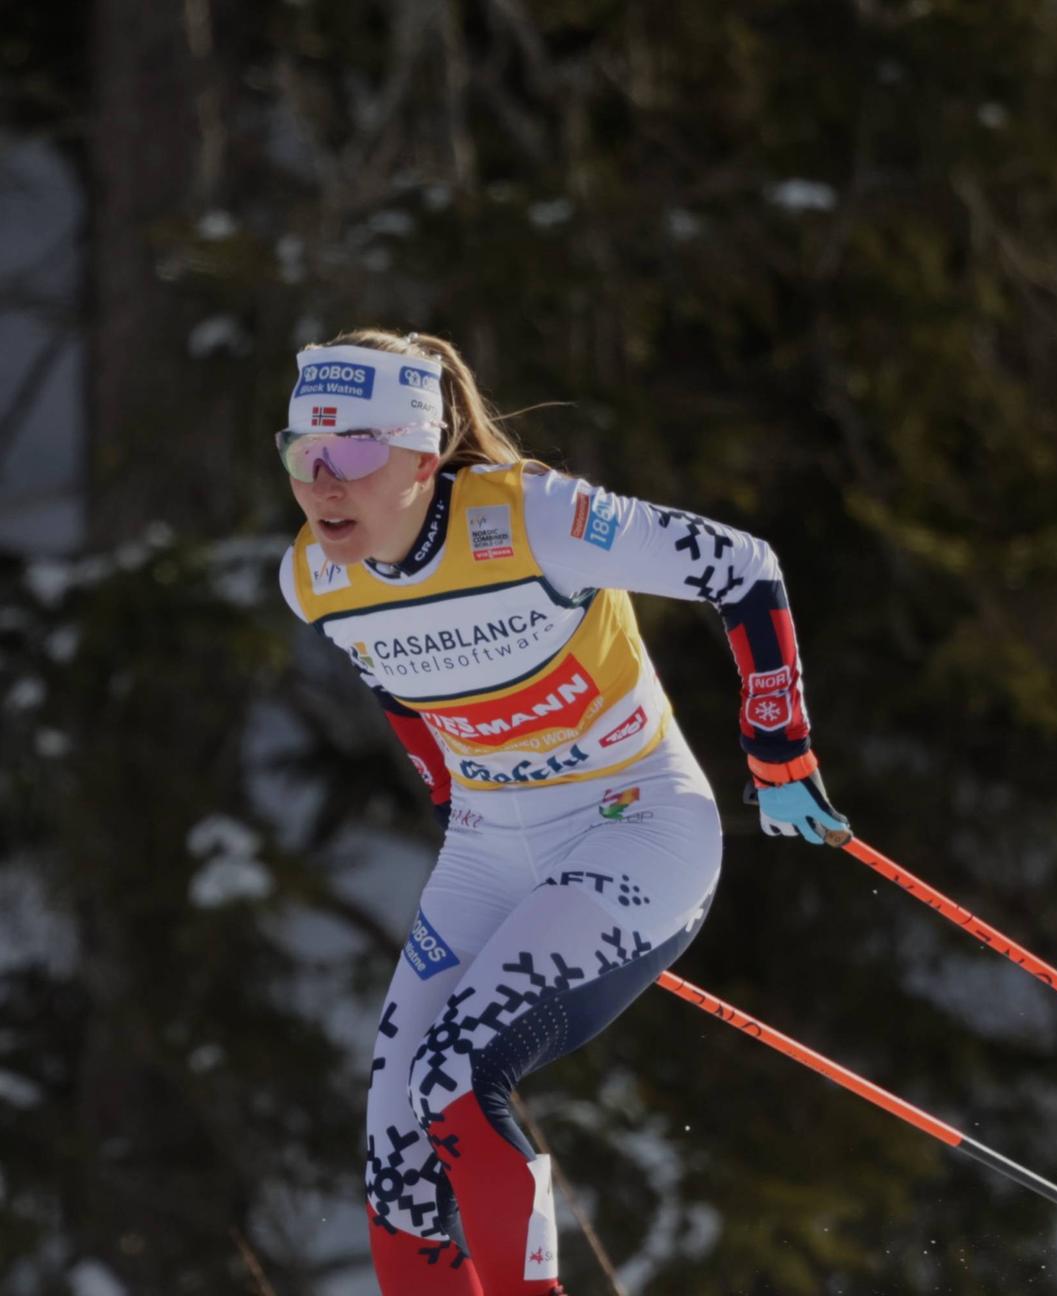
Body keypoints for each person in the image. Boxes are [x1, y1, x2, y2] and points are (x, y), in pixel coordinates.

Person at [276, 329, 850, 1295]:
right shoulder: (312, 581)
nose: (324, 483)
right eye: (303, 455)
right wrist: (448, 783)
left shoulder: (537, 519)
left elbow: (741, 567)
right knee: (392, 1138)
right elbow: (398, 678)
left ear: (421, 455)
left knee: (453, 1079)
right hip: (491, 845)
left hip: (636, 825)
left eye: (356, 455)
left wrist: (779, 750)